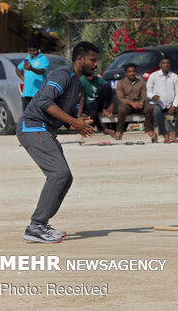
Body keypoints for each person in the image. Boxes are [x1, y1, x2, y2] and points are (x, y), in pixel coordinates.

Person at [16, 41, 100, 243]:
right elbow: (45, 101)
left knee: (66, 177)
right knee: (58, 173)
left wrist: (79, 123)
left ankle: (41, 225)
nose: (96, 65)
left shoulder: (78, 85)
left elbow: (66, 117)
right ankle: (36, 226)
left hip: (44, 130)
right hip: (32, 127)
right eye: (93, 60)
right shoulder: (63, 74)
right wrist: (73, 121)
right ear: (80, 59)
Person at [147, 58, 178, 143]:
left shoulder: (174, 76)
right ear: (160, 65)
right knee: (157, 112)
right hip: (157, 103)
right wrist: (153, 96)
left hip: (171, 104)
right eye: (164, 63)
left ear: (170, 65)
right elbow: (148, 91)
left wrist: (174, 106)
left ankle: (174, 133)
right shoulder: (153, 76)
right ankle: (165, 135)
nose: (166, 65)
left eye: (168, 63)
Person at [115, 63, 156, 142]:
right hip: (127, 104)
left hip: (138, 103)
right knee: (121, 109)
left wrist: (141, 102)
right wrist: (131, 103)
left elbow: (144, 95)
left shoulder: (141, 82)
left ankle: (148, 129)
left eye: (133, 71)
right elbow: (121, 98)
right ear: (126, 73)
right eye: (129, 72)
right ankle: (119, 130)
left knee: (149, 108)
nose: (132, 73)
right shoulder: (120, 83)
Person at [16, 39, 50, 111]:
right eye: (30, 51)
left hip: (38, 94)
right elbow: (18, 69)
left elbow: (42, 71)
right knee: (26, 117)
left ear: (39, 49)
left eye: (34, 50)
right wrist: (22, 77)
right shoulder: (27, 58)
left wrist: (32, 68)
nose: (31, 53)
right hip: (26, 93)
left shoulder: (43, 59)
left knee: (38, 116)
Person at [80, 73, 115, 138]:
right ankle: (103, 129)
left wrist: (110, 104)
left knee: (107, 87)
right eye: (88, 75)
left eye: (91, 75)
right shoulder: (82, 81)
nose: (90, 78)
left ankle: (104, 109)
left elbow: (108, 87)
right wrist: (80, 111)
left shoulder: (96, 79)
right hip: (88, 103)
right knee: (93, 114)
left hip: (96, 101)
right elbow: (81, 98)